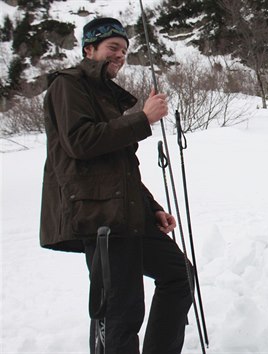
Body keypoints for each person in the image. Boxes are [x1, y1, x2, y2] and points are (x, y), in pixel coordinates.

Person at [39, 17, 193, 354]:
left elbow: (119, 168)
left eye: (124, 50)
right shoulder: (68, 85)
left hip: (126, 211)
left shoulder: (107, 96)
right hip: (99, 216)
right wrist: (143, 119)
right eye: (113, 48)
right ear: (89, 49)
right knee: (120, 311)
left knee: (178, 275)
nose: (120, 55)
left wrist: (152, 208)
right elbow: (79, 142)